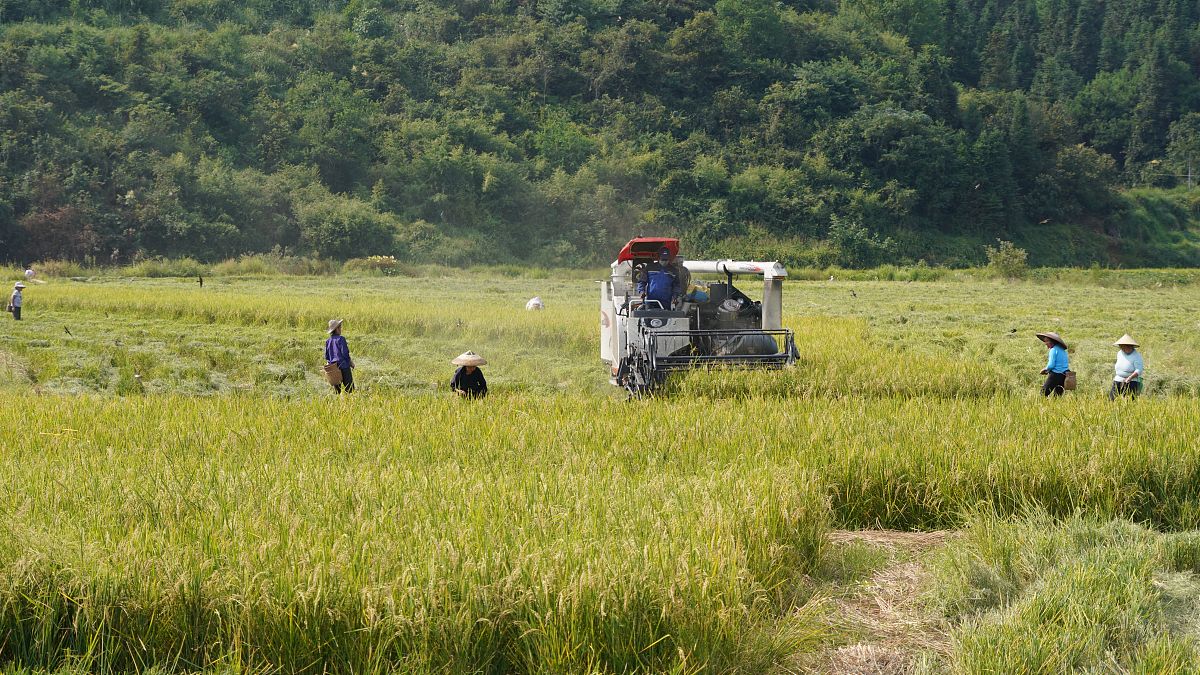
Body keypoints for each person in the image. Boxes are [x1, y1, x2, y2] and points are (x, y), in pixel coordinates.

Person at [1109, 334, 1144, 400]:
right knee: (1112, 399)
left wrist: (1130, 377)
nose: (1123, 349)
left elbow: (1139, 370)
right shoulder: (1120, 353)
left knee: (1128, 401)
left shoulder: (1137, 356)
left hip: (1131, 382)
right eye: (1121, 347)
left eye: (1124, 347)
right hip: (1118, 380)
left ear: (1130, 346)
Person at [324, 319, 355, 393]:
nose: (341, 329)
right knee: (350, 390)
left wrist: (329, 364)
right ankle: (349, 403)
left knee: (337, 391)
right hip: (344, 366)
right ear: (336, 329)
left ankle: (338, 403)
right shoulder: (341, 339)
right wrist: (351, 363)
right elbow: (345, 354)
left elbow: (327, 356)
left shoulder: (328, 341)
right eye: (340, 327)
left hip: (334, 368)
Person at [1036, 331, 1070, 396]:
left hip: (1055, 375)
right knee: (1057, 396)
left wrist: (1045, 369)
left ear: (1052, 342)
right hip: (1064, 375)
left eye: (1047, 341)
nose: (1045, 343)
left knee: (1043, 394)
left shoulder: (1053, 350)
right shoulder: (1062, 350)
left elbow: (1051, 365)